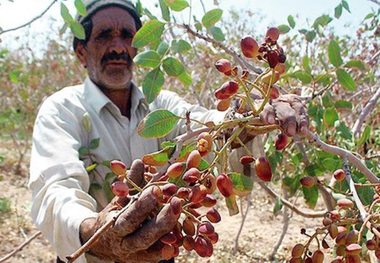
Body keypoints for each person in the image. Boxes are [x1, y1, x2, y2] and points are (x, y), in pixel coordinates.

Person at [28, 1, 308, 262]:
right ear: (81, 52)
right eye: (104, 36)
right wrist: (95, 232)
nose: (118, 47)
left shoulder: (163, 105)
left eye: (128, 36)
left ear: (137, 50)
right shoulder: (62, 109)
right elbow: (55, 190)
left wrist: (253, 116)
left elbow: (210, 126)